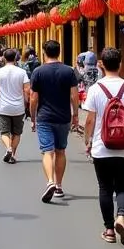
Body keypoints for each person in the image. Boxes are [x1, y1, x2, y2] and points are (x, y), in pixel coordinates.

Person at [82, 47, 124, 245]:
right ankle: (121, 217)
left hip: (102, 149)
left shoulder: (95, 89)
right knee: (122, 187)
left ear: (101, 64)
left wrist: (88, 141)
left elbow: (90, 120)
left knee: (104, 188)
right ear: (120, 64)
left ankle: (109, 229)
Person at [29, 38, 79, 203]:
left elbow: (33, 98)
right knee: (61, 151)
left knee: (47, 151)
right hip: (63, 117)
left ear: (44, 53)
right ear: (59, 52)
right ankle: (58, 186)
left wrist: (33, 117)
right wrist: (76, 115)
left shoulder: (38, 72)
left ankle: (50, 181)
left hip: (44, 116)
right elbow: (74, 95)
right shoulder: (69, 71)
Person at [0, 48, 30, 164]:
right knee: (17, 133)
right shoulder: (22, 72)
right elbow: (27, 90)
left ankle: (8, 148)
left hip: (4, 107)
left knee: (4, 132)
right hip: (18, 108)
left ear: (4, 58)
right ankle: (12, 154)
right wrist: (26, 103)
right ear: (15, 58)